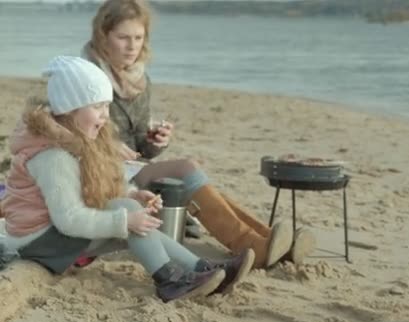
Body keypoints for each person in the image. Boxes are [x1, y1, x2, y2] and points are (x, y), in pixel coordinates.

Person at [81, 0, 316, 269]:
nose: (132, 45)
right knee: (186, 167)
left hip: (133, 167)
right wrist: (105, 145)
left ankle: (267, 239)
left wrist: (155, 141)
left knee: (189, 173)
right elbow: (66, 134)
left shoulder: (139, 80)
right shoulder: (86, 77)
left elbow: (139, 148)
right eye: (123, 37)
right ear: (103, 36)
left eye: (138, 37)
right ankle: (255, 244)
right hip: (100, 172)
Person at [0, 56, 255, 303]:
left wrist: (131, 195)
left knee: (138, 222)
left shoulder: (74, 140)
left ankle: (201, 268)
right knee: (131, 219)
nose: (105, 115)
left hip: (53, 233)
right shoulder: (53, 157)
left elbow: (90, 188)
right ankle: (170, 281)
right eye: (97, 106)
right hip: (36, 241)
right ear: (70, 108)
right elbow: (69, 219)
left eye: (106, 106)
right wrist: (125, 218)